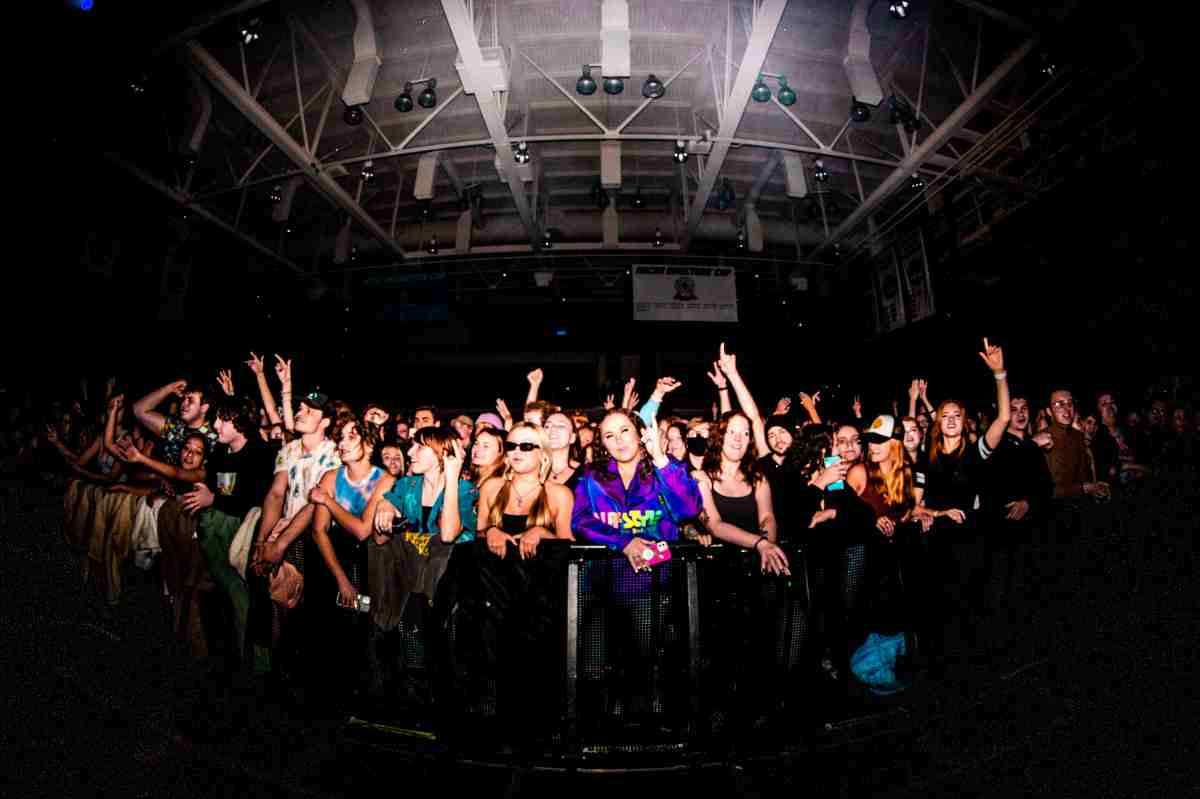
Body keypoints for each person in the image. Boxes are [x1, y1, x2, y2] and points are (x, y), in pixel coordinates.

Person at [248, 391, 341, 679]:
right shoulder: (289, 450)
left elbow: (316, 505)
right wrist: (263, 542)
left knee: (307, 615)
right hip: (284, 534)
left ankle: (306, 680)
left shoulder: (336, 453)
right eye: (299, 408)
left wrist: (280, 543)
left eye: (309, 411)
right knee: (278, 605)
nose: (300, 413)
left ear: (325, 421)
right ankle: (278, 673)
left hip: (317, 541)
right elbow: (276, 494)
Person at [183, 395, 276, 664]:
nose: (216, 425)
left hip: (246, 535)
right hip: (218, 536)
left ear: (240, 423)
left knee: (244, 597)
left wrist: (214, 500)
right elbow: (217, 489)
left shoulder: (261, 453)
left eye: (223, 420)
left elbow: (257, 498)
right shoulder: (220, 454)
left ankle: (257, 659)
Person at [307, 415, 392, 703]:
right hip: (337, 561)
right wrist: (341, 579)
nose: (341, 444)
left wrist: (327, 500)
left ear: (368, 446)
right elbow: (319, 531)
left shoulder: (385, 480)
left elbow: (361, 531)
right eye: (340, 438)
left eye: (350, 438)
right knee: (334, 629)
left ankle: (372, 698)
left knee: (367, 629)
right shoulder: (331, 477)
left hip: (372, 561)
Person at [693, 411, 788, 575]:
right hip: (716, 573)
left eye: (745, 433)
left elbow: (767, 517)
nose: (738, 438)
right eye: (732, 432)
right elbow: (715, 525)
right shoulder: (700, 478)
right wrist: (760, 544)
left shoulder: (758, 478)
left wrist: (769, 547)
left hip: (757, 569)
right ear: (720, 436)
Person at [479, 422, 574, 559]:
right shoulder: (491, 487)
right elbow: (476, 536)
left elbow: (570, 548)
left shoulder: (559, 494)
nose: (517, 451)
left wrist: (543, 533)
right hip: (491, 575)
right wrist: (490, 531)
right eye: (511, 446)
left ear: (543, 454)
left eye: (526, 446)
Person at [131, 379, 219, 466]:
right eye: (184, 399)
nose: (184, 403)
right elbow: (138, 410)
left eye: (190, 400)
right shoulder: (175, 426)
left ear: (204, 408)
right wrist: (171, 387)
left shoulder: (214, 438)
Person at [1043, 390, 1108, 499]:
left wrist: (1095, 488)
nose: (1066, 409)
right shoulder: (1042, 441)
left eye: (1070, 403)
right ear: (1049, 411)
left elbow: (1083, 477)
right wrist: (1084, 488)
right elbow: (1044, 491)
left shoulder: (1078, 436)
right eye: (1059, 404)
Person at [543, 411, 582, 490]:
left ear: (572, 438)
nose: (553, 429)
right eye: (547, 426)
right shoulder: (532, 471)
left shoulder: (586, 474)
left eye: (561, 426)